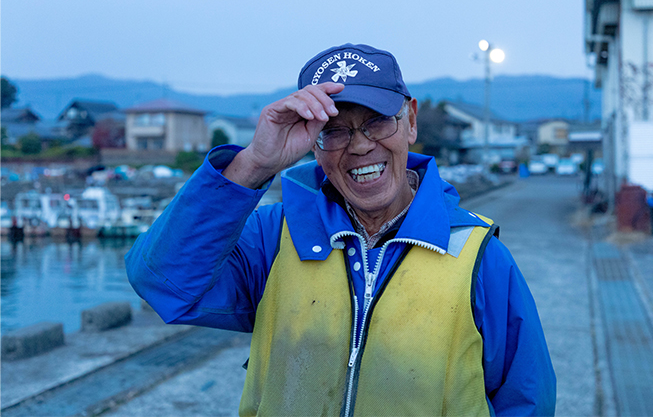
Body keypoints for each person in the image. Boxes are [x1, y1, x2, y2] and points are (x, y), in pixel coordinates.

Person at [126, 43, 556, 416]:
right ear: (311, 142)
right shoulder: (273, 239)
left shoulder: (477, 254)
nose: (360, 145)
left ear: (410, 119)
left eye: (377, 121)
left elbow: (526, 400)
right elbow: (163, 282)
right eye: (334, 131)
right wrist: (255, 163)